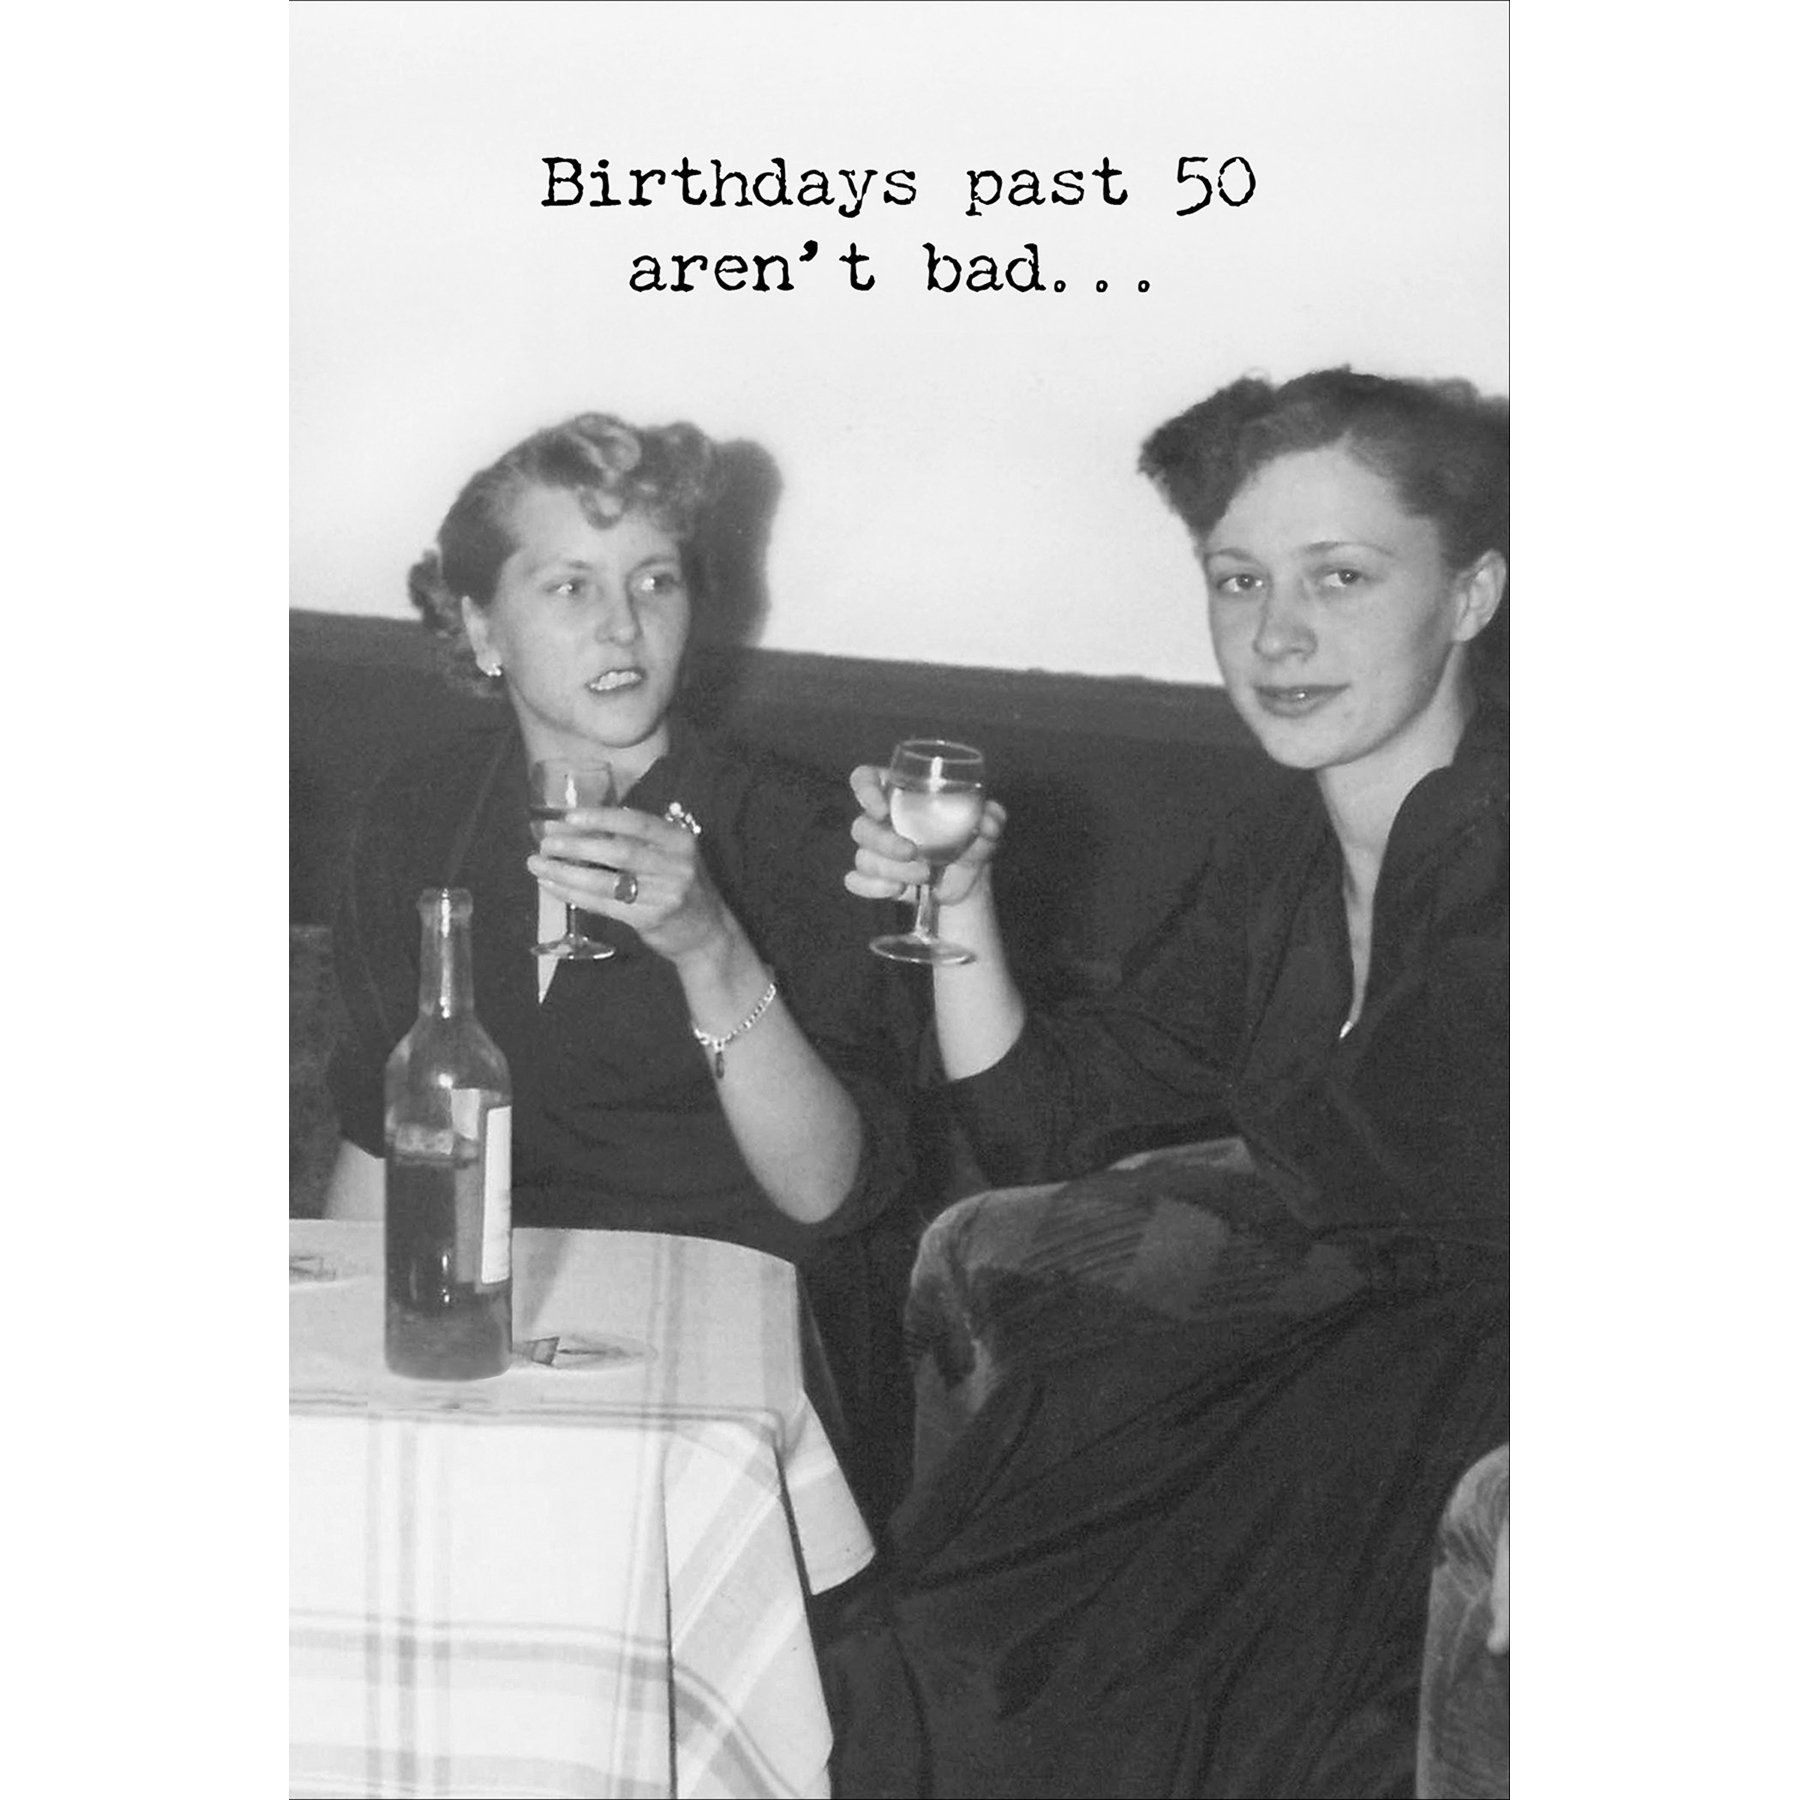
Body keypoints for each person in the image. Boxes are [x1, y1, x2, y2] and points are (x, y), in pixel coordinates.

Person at [822, 369, 1510, 1796]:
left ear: (1471, 594)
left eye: (1342, 576)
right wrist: (960, 893)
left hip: (1477, 1380)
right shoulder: (1278, 856)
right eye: (1238, 578)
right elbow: (1044, 1123)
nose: (1277, 632)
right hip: (1332, 1360)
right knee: (942, 1655)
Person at [323, 411, 921, 1513]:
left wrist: (710, 946)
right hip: (489, 1323)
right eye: (571, 587)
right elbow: (383, 1136)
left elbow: (827, 1193)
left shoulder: (801, 831)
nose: (623, 627)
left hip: (734, 1338)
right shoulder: (419, 814)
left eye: (656, 582)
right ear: (481, 625)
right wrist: (338, 1379)